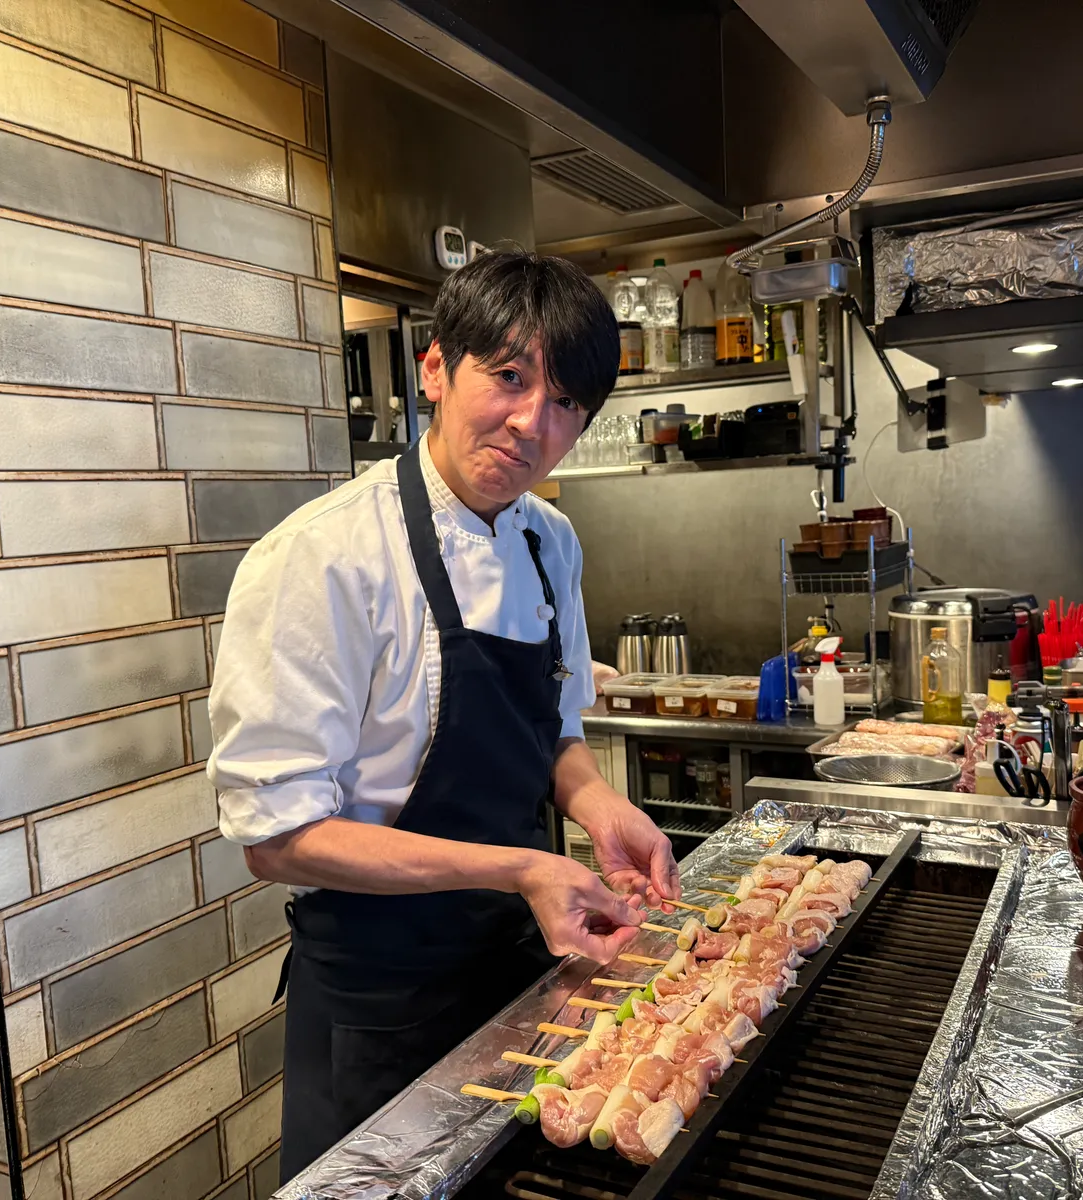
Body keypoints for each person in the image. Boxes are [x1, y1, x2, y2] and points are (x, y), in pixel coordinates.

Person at [207, 249, 680, 1180]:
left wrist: (596, 807)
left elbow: (555, 732)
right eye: (508, 378)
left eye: (567, 404)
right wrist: (521, 866)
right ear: (435, 369)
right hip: (378, 997)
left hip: (518, 963)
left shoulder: (552, 542)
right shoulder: (322, 558)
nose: (532, 424)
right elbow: (276, 838)